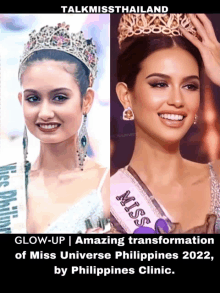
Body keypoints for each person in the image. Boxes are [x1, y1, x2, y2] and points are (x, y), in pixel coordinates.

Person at [110, 14, 220, 234]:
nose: (177, 101)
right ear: (126, 96)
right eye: (160, 84)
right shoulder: (105, 202)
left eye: (189, 86)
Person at [0, 22, 110, 234]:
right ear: (21, 101)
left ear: (86, 100)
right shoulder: (5, 184)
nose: (45, 112)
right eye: (33, 99)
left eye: (59, 98)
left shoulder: (108, 189)